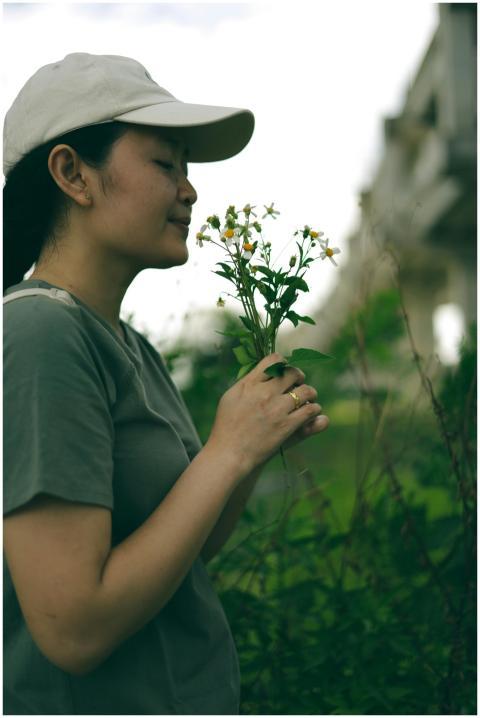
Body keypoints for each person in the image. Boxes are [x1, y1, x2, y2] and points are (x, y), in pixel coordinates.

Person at [3, 52, 330, 715]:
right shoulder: (39, 335)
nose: (190, 190)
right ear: (72, 173)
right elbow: (74, 628)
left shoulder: (129, 347)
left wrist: (248, 447)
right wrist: (227, 452)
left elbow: (188, 547)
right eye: (165, 164)